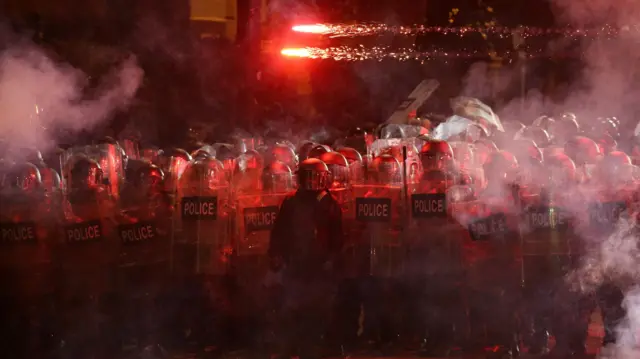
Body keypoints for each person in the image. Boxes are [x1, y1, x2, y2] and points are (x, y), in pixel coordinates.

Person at [269, 158, 344, 359]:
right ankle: (293, 346)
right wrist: (276, 255)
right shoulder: (291, 201)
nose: (312, 182)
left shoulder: (329, 202)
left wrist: (332, 259)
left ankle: (312, 346)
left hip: (318, 266)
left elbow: (337, 236)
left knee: (317, 309)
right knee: (293, 306)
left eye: (315, 177)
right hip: (295, 263)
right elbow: (279, 231)